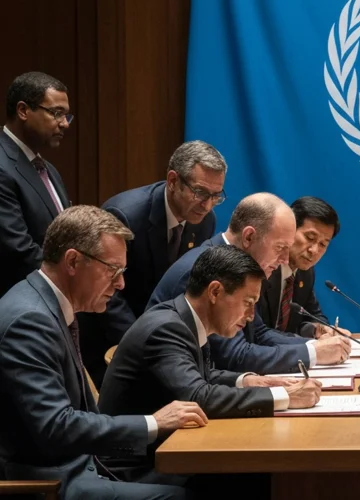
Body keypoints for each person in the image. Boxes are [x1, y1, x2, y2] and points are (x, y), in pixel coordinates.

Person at [0, 206, 206, 499]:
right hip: (48, 481)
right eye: (113, 270)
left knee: (203, 476)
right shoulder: (30, 320)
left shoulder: (47, 306)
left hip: (83, 464)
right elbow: (56, 427)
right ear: (73, 261)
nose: (120, 283)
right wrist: (154, 423)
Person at [100, 246, 321, 475]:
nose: (250, 316)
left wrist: (247, 381)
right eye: (248, 302)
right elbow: (197, 396)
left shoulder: (185, 318)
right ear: (215, 292)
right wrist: (285, 396)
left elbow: (200, 376)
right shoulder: (167, 328)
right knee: (256, 476)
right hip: (134, 468)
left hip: (165, 452)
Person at [147, 193, 350, 373]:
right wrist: (313, 353)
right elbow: (234, 355)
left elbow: (258, 334)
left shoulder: (238, 269)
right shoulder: (207, 271)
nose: (284, 260)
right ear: (249, 237)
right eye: (280, 248)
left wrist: (312, 346)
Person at [78, 140, 226, 386]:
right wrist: (143, 339)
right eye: (200, 193)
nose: (207, 205)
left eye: (215, 196)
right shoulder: (125, 215)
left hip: (160, 338)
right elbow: (105, 287)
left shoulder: (205, 221)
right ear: (173, 181)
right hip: (111, 339)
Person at [0, 71, 73, 296]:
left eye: (67, 115)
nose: (65, 124)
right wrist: (73, 279)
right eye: (56, 113)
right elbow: (18, 249)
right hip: (20, 299)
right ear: (23, 110)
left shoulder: (47, 169)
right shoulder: (2, 165)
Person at [259, 196, 350, 337]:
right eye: (310, 238)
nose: (314, 250)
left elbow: (313, 315)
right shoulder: (263, 266)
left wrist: (319, 329)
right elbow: (258, 333)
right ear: (290, 229)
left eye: (323, 244)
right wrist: (310, 347)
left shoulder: (306, 273)